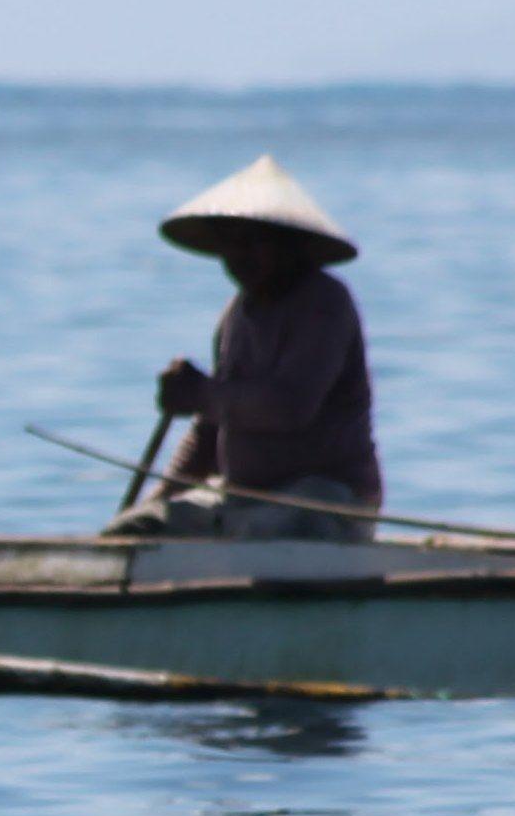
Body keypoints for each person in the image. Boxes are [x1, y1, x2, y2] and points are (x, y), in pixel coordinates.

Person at [111, 156, 382, 542]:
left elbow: (289, 406)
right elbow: (211, 430)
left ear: (291, 246)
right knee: (137, 529)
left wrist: (200, 393)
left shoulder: (323, 303)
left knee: (272, 533)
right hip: (241, 499)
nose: (240, 256)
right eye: (231, 243)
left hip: (325, 502)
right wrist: (159, 501)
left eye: (255, 242)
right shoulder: (236, 315)